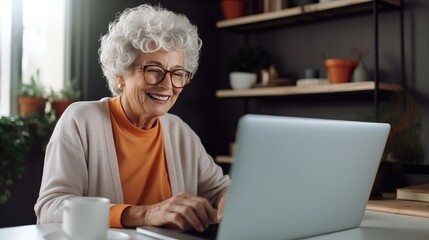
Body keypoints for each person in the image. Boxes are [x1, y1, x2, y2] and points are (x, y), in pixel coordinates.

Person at [34, 4, 230, 232]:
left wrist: (228, 205)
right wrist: (145, 214)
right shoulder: (81, 120)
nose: (167, 85)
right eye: (154, 70)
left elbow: (222, 190)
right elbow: (50, 207)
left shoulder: (179, 132)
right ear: (120, 76)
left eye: (178, 74)